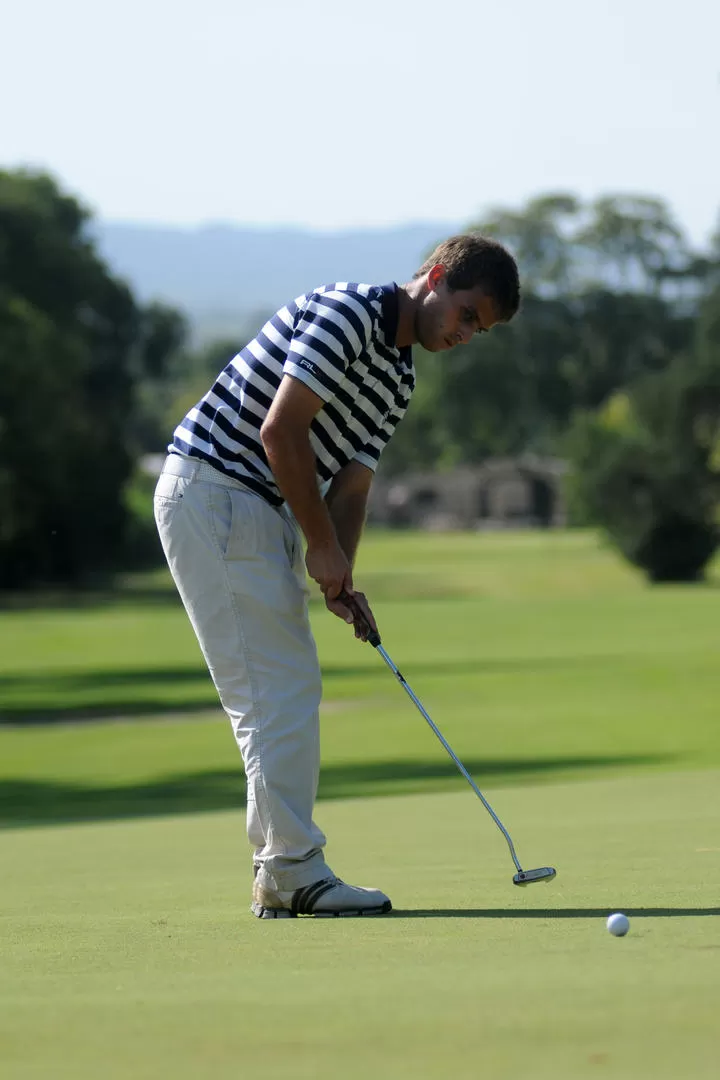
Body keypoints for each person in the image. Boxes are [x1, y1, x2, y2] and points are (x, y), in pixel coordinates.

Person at [153, 233, 520, 919]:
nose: (468, 334)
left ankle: (283, 869)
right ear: (436, 278)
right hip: (217, 490)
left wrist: (339, 573)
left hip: (249, 507)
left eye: (482, 330)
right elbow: (281, 433)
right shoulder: (347, 314)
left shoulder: (400, 376)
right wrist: (319, 547)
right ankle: (290, 870)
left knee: (279, 690)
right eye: (469, 314)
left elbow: (350, 488)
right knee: (277, 691)